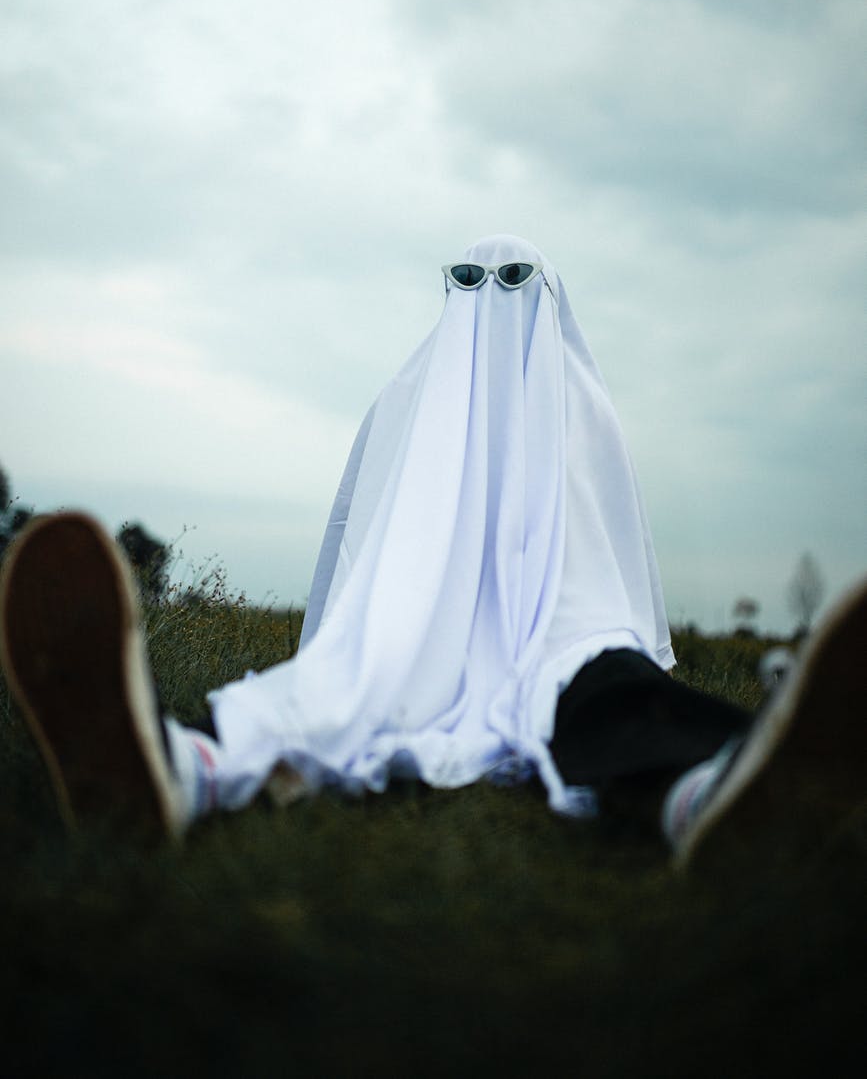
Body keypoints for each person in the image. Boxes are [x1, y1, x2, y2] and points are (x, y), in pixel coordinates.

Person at [1, 235, 864, 866]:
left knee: (605, 689)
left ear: (547, 294)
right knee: (338, 687)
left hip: (559, 637)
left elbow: (614, 537)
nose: (488, 297)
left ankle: (717, 795)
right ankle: (174, 768)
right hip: (409, 630)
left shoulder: (581, 408)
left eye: (513, 279)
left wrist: (624, 635)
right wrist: (339, 634)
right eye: (467, 280)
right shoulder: (405, 398)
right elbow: (358, 527)